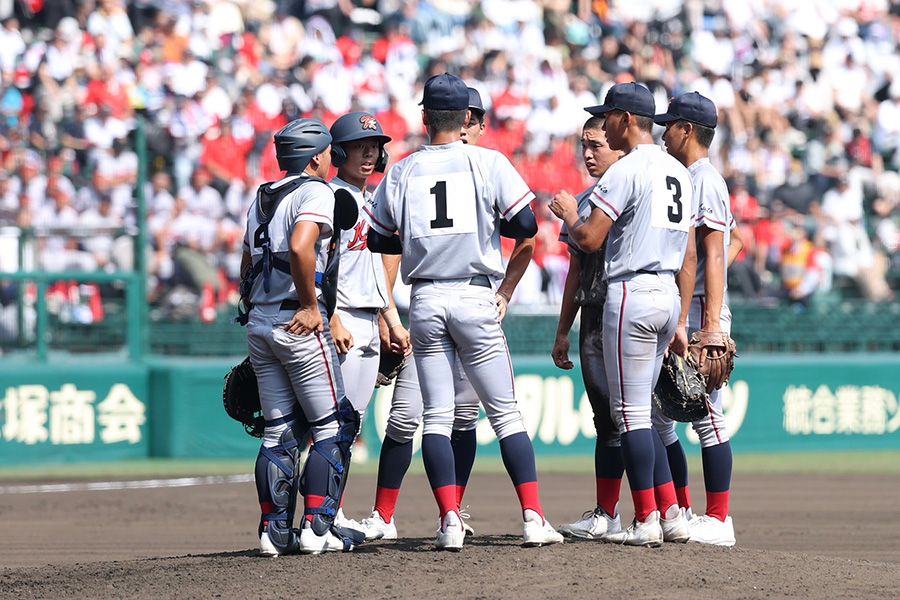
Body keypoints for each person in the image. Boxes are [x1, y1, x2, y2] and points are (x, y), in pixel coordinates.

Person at [367, 73, 563, 551]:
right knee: (506, 415)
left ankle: (449, 520)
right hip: (476, 294)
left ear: (425, 116)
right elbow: (526, 224)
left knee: (435, 417)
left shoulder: (404, 170)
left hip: (427, 299)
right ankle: (534, 518)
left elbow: (377, 238)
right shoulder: (487, 162)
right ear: (468, 119)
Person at [548, 82, 695, 547]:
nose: (606, 124)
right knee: (646, 414)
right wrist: (683, 319)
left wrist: (570, 215)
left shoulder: (627, 169)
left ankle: (646, 518)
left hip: (630, 291)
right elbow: (689, 254)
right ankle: (671, 513)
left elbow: (588, 240)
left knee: (628, 414)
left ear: (626, 121)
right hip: (668, 293)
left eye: (609, 116)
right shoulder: (679, 172)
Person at [239, 118, 364, 556]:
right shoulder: (316, 191)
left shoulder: (261, 197)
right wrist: (313, 306)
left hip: (260, 323)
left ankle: (273, 533)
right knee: (335, 424)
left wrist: (251, 306)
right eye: (330, 152)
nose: (335, 159)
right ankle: (318, 528)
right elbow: (299, 245)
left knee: (278, 431)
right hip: (298, 322)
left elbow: (246, 261)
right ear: (315, 157)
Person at [653, 92, 738, 546]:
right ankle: (683, 512)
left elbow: (713, 251)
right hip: (690, 303)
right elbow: (733, 241)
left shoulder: (703, 179)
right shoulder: (691, 177)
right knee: (662, 414)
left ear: (687, 130)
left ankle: (720, 519)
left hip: (700, 308)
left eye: (670, 125)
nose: (663, 132)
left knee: (706, 416)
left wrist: (708, 324)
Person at [325, 111, 409, 529]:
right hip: (341, 322)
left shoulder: (370, 201)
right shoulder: (329, 199)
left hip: (369, 318)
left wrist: (389, 319)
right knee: (332, 424)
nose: (369, 153)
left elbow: (377, 272)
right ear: (338, 152)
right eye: (359, 146)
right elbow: (317, 268)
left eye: (374, 146)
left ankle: (331, 512)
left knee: (351, 422)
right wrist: (333, 316)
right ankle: (322, 515)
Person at [552, 116, 626, 540]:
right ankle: (609, 512)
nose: (589, 153)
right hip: (594, 319)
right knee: (608, 421)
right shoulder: (581, 199)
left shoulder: (634, 192)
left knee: (642, 420)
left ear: (618, 144)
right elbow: (575, 273)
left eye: (597, 144)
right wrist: (563, 331)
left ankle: (667, 509)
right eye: (584, 144)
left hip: (629, 313)